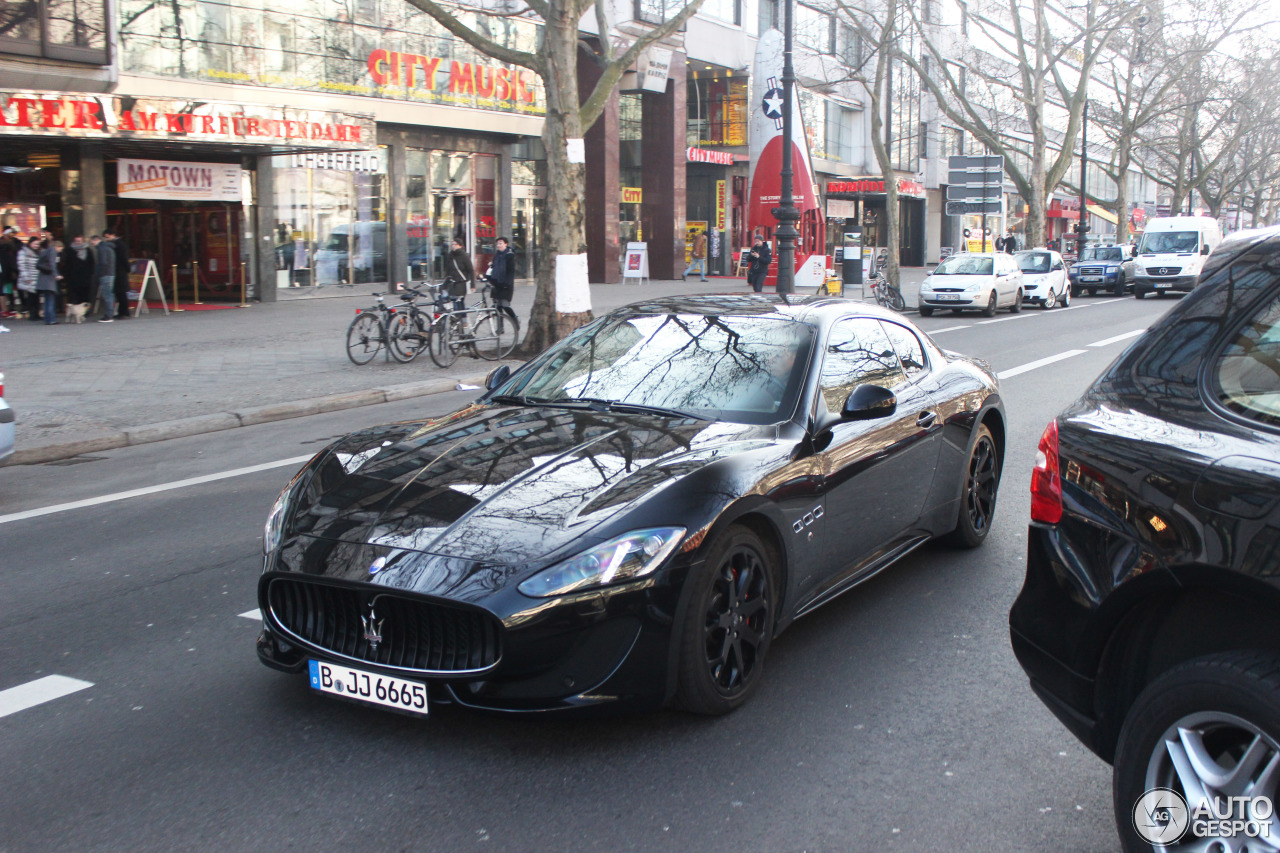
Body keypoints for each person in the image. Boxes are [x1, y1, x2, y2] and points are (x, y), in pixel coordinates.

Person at [486, 236, 518, 325]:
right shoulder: (497, 255)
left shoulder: (509, 255)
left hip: (505, 284)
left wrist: (507, 283)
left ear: (506, 244)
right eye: (498, 243)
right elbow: (495, 267)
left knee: (505, 305)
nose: (498, 245)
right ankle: (500, 327)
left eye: (501, 243)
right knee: (497, 307)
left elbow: (511, 271)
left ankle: (515, 319)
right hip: (496, 283)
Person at [62, 235, 95, 306]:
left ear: (82, 241)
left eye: (79, 241)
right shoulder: (69, 250)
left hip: (85, 277)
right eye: (76, 241)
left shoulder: (88, 250)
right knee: (75, 294)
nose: (78, 242)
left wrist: (90, 273)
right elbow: (66, 263)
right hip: (73, 277)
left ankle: (85, 310)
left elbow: (92, 262)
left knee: (85, 294)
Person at [444, 237, 474, 314]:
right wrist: (445, 284)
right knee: (455, 303)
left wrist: (472, 284)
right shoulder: (450, 255)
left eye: (455, 244)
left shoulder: (464, 256)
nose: (453, 246)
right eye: (452, 244)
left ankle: (462, 320)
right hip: (452, 283)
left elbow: (471, 270)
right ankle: (458, 321)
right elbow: (448, 270)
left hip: (461, 283)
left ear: (460, 246)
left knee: (459, 302)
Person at [106, 229, 131, 318]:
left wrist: (127, 268)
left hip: (120, 271)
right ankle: (123, 311)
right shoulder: (115, 244)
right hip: (118, 270)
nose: (106, 239)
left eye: (107, 236)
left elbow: (124, 257)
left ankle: (124, 311)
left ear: (112, 235)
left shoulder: (119, 244)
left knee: (121, 292)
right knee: (119, 292)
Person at [91, 234, 116, 323]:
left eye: (92, 242)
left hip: (105, 274)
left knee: (107, 295)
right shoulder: (109, 248)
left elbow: (103, 263)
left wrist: (98, 274)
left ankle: (108, 316)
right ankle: (110, 314)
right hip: (111, 273)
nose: (92, 244)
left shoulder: (101, 249)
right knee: (109, 294)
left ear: (96, 240)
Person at [36, 238, 61, 324]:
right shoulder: (53, 252)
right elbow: (52, 264)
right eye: (60, 249)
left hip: (42, 278)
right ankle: (51, 319)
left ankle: (47, 319)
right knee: (50, 299)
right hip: (49, 279)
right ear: (58, 246)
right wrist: (56, 275)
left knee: (46, 300)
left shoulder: (45, 251)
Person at [16, 235, 40, 321]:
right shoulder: (23, 252)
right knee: (31, 296)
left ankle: (36, 313)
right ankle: (32, 313)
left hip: (37, 277)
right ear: (30, 243)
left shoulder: (38, 252)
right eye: (35, 244)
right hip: (29, 277)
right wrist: (26, 277)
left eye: (38, 244)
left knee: (36, 296)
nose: (36, 246)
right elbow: (21, 265)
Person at [0, 227, 18, 318]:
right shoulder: (7, 248)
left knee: (5, 291)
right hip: (5, 272)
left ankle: (5, 309)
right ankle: (4, 310)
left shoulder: (9, 245)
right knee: (4, 292)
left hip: (5, 272)